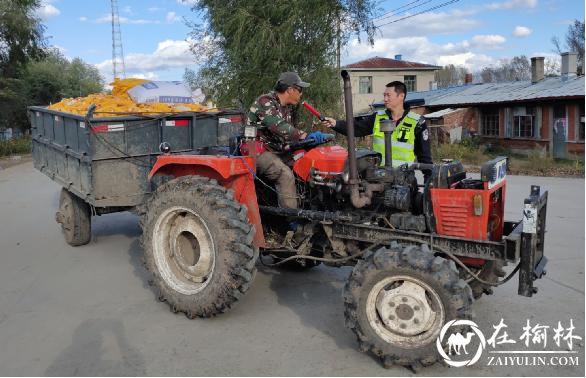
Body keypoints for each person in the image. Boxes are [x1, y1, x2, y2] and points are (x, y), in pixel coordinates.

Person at [321, 80, 433, 179]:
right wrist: (336, 123)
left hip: (404, 179)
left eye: (388, 95)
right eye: (384, 95)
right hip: (378, 176)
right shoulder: (377, 117)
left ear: (401, 96)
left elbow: (425, 156)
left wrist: (429, 181)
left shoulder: (417, 122)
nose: (385, 99)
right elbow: (357, 128)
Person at [248, 72, 327, 210]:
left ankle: (312, 206)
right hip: (257, 151)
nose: (301, 94)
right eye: (300, 90)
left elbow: (285, 135)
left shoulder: (285, 107)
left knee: (308, 162)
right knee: (285, 175)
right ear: (290, 90)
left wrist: (308, 143)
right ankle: (292, 221)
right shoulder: (265, 102)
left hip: (276, 149)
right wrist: (305, 136)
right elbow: (279, 127)